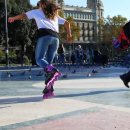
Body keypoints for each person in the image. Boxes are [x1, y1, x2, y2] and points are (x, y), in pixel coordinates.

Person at [8, 0, 72, 98]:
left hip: (45, 36)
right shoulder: (54, 15)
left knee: (39, 59)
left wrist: (13, 18)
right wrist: (69, 35)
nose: (37, 7)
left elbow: (23, 15)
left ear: (42, 5)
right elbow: (67, 23)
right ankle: (49, 90)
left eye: (38, 5)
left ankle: (54, 72)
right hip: (56, 39)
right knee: (47, 66)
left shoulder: (37, 11)